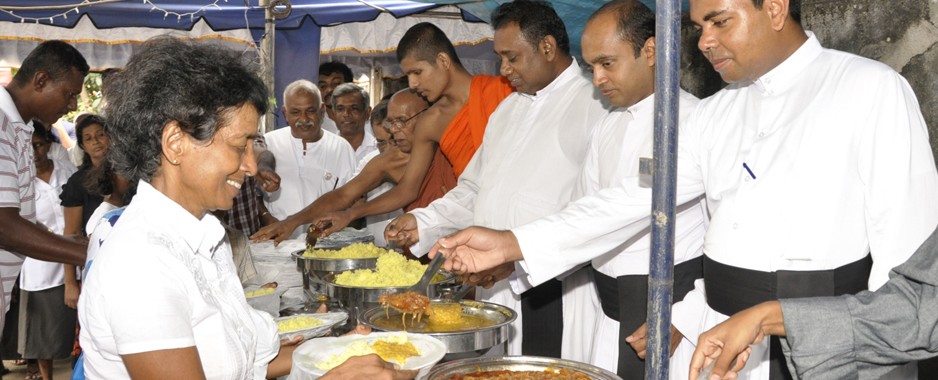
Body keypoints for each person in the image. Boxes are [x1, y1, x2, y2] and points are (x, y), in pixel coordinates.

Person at [428, 0, 938, 378]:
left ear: (777, 8)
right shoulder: (716, 113)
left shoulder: (869, 90)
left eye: (720, 22)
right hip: (722, 341)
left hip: (826, 350)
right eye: (698, 27)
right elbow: (640, 200)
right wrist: (516, 243)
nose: (704, 41)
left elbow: (907, 268)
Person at [76, 37, 415, 380]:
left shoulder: (208, 238)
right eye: (240, 147)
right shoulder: (141, 264)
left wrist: (339, 351)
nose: (252, 166)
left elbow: (243, 364)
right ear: (175, 143)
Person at [385, 0, 607, 358]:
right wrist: (423, 220)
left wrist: (520, 255)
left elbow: (598, 212)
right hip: (495, 282)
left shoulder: (594, 105)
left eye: (512, 57)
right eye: (500, 57)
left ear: (547, 48)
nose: (503, 69)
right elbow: (475, 187)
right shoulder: (509, 108)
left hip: (554, 285)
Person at [538, 2, 704, 378]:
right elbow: (582, 214)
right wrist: (513, 257)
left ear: (650, 52)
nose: (596, 79)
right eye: (590, 66)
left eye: (607, 63)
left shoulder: (696, 121)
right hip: (610, 314)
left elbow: (722, 235)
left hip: (672, 320)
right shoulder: (606, 128)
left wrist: (686, 317)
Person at [311, 22, 513, 236]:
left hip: (519, 218)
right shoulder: (432, 121)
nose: (413, 83)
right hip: (470, 221)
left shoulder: (506, 94)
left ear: (443, 60)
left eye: (417, 72)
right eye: (408, 75)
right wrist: (351, 214)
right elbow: (409, 189)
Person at [251, 89, 456, 247]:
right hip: (417, 251)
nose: (394, 131)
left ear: (429, 115)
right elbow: (343, 195)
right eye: (391, 123)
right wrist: (291, 222)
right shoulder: (391, 159)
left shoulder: (454, 147)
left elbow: (407, 192)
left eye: (402, 121)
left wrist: (352, 214)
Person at [0, 39, 88, 343]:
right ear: (41, 80)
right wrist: (88, 253)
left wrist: (64, 240)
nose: (73, 105)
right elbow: (4, 226)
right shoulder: (1, 124)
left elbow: (16, 216)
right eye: (70, 94)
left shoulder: (19, 128)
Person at [20, 125, 79, 380]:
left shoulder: (66, 170)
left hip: (75, 257)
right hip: (40, 264)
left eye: (38, 145)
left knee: (80, 327)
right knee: (43, 336)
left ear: (47, 143)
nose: (34, 152)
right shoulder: (19, 182)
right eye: (27, 147)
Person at [263, 79, 357, 239]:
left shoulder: (341, 148)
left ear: (321, 111)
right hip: (275, 242)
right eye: (295, 112)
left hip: (323, 244)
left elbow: (350, 199)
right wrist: (266, 217)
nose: (304, 119)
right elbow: (252, 195)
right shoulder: (268, 143)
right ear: (285, 113)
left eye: (310, 111)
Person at [331, 83, 377, 163]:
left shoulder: (378, 149)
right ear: (333, 114)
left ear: (367, 113)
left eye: (354, 108)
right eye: (340, 109)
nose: (346, 114)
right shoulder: (325, 148)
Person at [318, 61, 354, 128]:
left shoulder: (363, 123)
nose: (329, 90)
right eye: (323, 86)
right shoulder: (315, 124)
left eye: (336, 84)